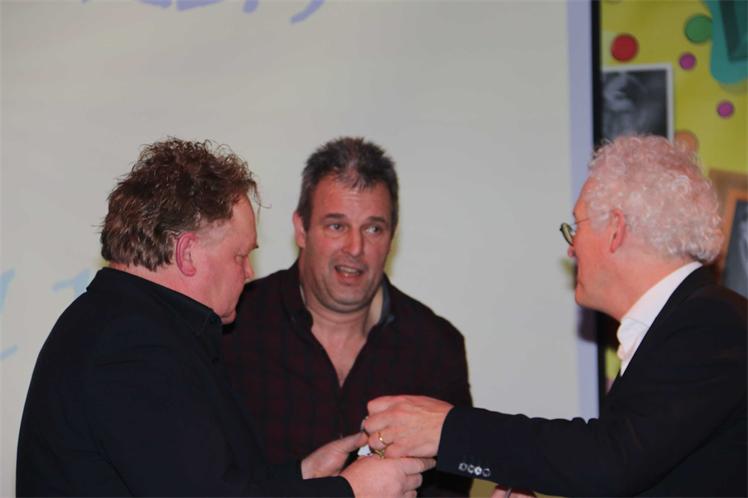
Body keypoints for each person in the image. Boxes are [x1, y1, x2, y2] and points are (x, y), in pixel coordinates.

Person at [16, 138, 433, 497]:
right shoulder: (131, 345)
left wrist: (302, 475)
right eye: (240, 256)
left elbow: (206, 481)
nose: (249, 273)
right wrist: (351, 491)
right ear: (187, 254)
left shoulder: (134, 327)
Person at [363, 135, 747, 497]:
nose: (571, 249)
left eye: (576, 227)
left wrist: (447, 429)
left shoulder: (713, 323)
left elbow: (612, 461)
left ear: (615, 229)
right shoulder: (686, 324)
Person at [223, 137, 472, 496]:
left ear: (392, 236)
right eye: (336, 226)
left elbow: (451, 489)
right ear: (301, 230)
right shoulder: (232, 329)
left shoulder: (435, 346)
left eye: (373, 228)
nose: (355, 248)